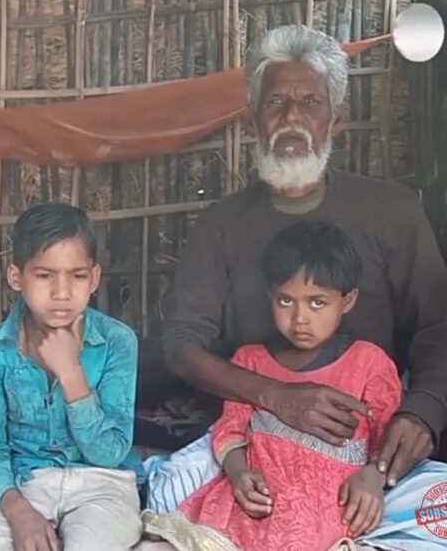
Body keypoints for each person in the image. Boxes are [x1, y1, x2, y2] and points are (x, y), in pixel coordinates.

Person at [146, 25, 447, 549]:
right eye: (275, 103)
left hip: (370, 447)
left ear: (337, 120)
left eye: (309, 102)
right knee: (169, 504)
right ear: (253, 120)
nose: (290, 117)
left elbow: (438, 325)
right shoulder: (222, 224)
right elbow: (181, 344)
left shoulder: (392, 211)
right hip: (256, 442)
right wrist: (275, 396)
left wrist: (423, 411)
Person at [144, 221, 400, 550]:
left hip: (328, 513)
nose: (300, 318)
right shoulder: (250, 361)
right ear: (270, 296)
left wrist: (374, 476)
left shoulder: (369, 363)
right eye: (286, 301)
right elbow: (231, 429)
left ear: (347, 300)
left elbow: (386, 436)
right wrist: (238, 473)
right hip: (250, 509)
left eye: (317, 303)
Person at [0, 203, 143, 551]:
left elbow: (110, 453)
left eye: (77, 276)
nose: (61, 292)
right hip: (22, 484)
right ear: (16, 277)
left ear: (94, 278)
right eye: (44, 275)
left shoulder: (116, 341)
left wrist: (72, 375)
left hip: (101, 486)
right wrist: (18, 511)